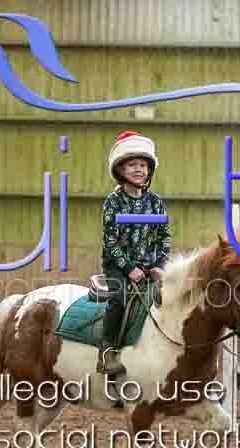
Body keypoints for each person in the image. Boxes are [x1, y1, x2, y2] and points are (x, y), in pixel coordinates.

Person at [97, 130, 171, 377]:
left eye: (143, 165)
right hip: (118, 265)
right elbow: (109, 240)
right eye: (132, 165)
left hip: (151, 266)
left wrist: (160, 264)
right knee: (119, 299)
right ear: (120, 169)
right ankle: (107, 352)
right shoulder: (113, 202)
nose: (139, 169)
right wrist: (128, 268)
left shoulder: (156, 203)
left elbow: (164, 237)